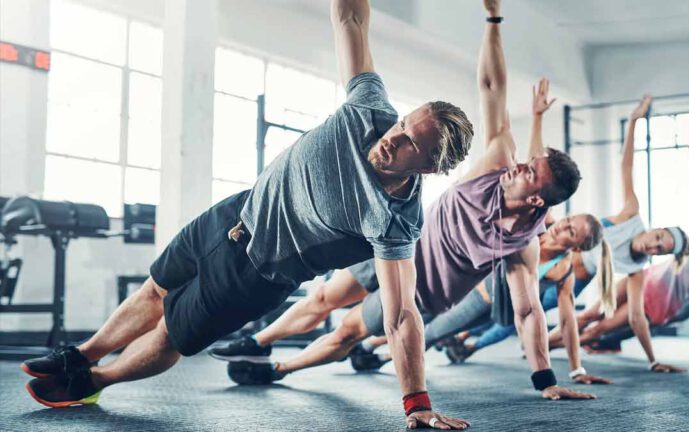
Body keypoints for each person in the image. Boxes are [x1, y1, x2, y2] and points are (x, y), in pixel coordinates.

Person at [22, 1, 475, 427]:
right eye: (402, 125)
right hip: (233, 214)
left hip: (256, 274)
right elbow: (350, 21)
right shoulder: (369, 108)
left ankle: (92, 382)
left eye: (411, 142)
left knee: (170, 336)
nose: (393, 138)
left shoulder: (395, 220)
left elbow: (400, 315)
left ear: (431, 166)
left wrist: (417, 402)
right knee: (154, 290)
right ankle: (80, 355)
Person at [211, 0, 592, 402]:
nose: (519, 168)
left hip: (422, 292)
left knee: (349, 330)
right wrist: (493, 19)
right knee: (324, 297)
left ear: (535, 199)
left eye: (529, 173)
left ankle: (279, 368)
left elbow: (528, 311)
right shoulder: (497, 161)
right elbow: (491, 88)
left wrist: (544, 380)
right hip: (392, 243)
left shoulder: (522, 246)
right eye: (527, 163)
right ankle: (259, 341)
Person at [553, 143, 689, 367]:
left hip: (655, 307)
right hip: (646, 281)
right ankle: (543, 341)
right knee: (590, 314)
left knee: (600, 329)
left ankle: (549, 347)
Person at [361, 211, 615, 386]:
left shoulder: (564, 270)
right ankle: (371, 348)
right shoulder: (538, 226)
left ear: (578, 247)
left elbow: (568, 320)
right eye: (569, 219)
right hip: (472, 290)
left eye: (571, 231)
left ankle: (379, 355)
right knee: (423, 324)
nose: (563, 225)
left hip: (491, 310)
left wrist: (576, 369)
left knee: (434, 332)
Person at [544, 95, 689, 372]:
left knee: (571, 317)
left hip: (573, 278)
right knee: (511, 301)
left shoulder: (637, 269)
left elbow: (637, 317)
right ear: (655, 229)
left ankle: (539, 346)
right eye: (658, 239)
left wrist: (653, 360)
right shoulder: (632, 215)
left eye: (661, 250)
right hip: (557, 251)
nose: (653, 247)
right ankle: (473, 336)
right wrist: (634, 121)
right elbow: (627, 166)